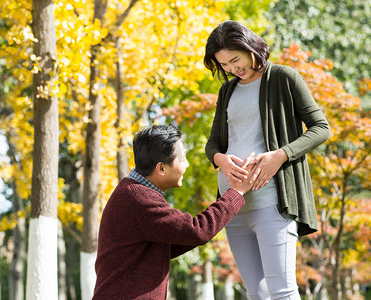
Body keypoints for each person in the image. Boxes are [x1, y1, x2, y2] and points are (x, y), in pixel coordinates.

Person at [203, 20, 330, 300]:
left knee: (282, 292)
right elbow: (212, 144)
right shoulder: (227, 91)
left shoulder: (285, 77)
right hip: (232, 203)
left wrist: (280, 155)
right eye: (224, 65)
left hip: (272, 199)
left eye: (235, 59)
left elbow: (321, 128)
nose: (232, 69)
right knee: (256, 293)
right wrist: (221, 160)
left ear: (250, 48)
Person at [92, 125, 257, 299]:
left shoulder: (134, 192)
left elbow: (177, 239)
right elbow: (197, 231)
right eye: (182, 159)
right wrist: (236, 193)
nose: (186, 164)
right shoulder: (139, 198)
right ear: (161, 168)